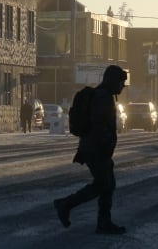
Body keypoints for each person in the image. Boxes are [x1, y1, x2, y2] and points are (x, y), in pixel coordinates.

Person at [53, 64, 127, 235]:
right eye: (121, 82)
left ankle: (103, 222)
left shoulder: (105, 95)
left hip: (97, 149)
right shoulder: (103, 97)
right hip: (96, 150)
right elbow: (99, 124)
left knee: (108, 185)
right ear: (112, 81)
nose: (122, 85)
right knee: (103, 185)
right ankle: (66, 205)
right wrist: (106, 142)